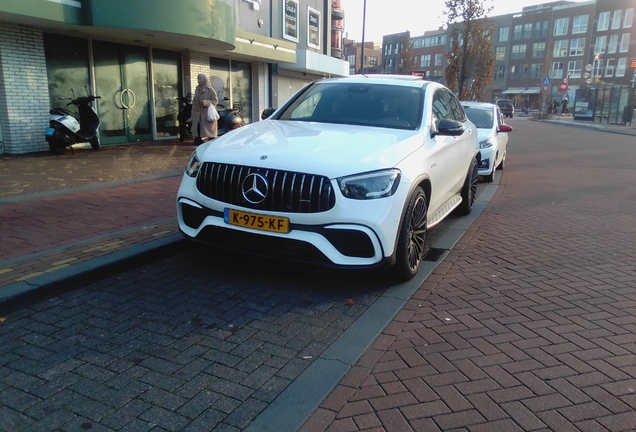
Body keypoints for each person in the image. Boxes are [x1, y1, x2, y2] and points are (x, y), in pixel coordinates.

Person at [191, 73, 219, 145]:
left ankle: (211, 142)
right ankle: (198, 141)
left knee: (209, 130)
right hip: (197, 113)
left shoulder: (210, 89)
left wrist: (206, 102)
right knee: (197, 128)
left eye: (199, 79)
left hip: (206, 113)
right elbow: (195, 99)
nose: (198, 81)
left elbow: (215, 101)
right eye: (197, 79)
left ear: (204, 79)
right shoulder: (197, 88)